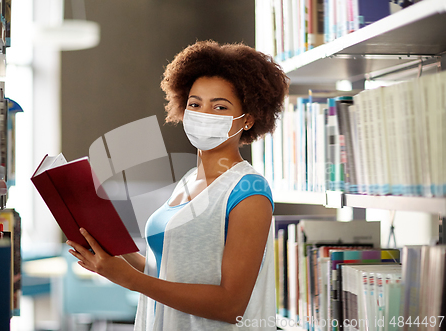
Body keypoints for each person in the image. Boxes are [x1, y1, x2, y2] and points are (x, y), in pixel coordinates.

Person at [66, 40, 289, 330]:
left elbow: (230, 305)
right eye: (195, 104)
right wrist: (111, 253)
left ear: (247, 120)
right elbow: (166, 271)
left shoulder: (249, 191)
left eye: (220, 106)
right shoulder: (187, 182)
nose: (203, 114)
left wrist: (131, 280)